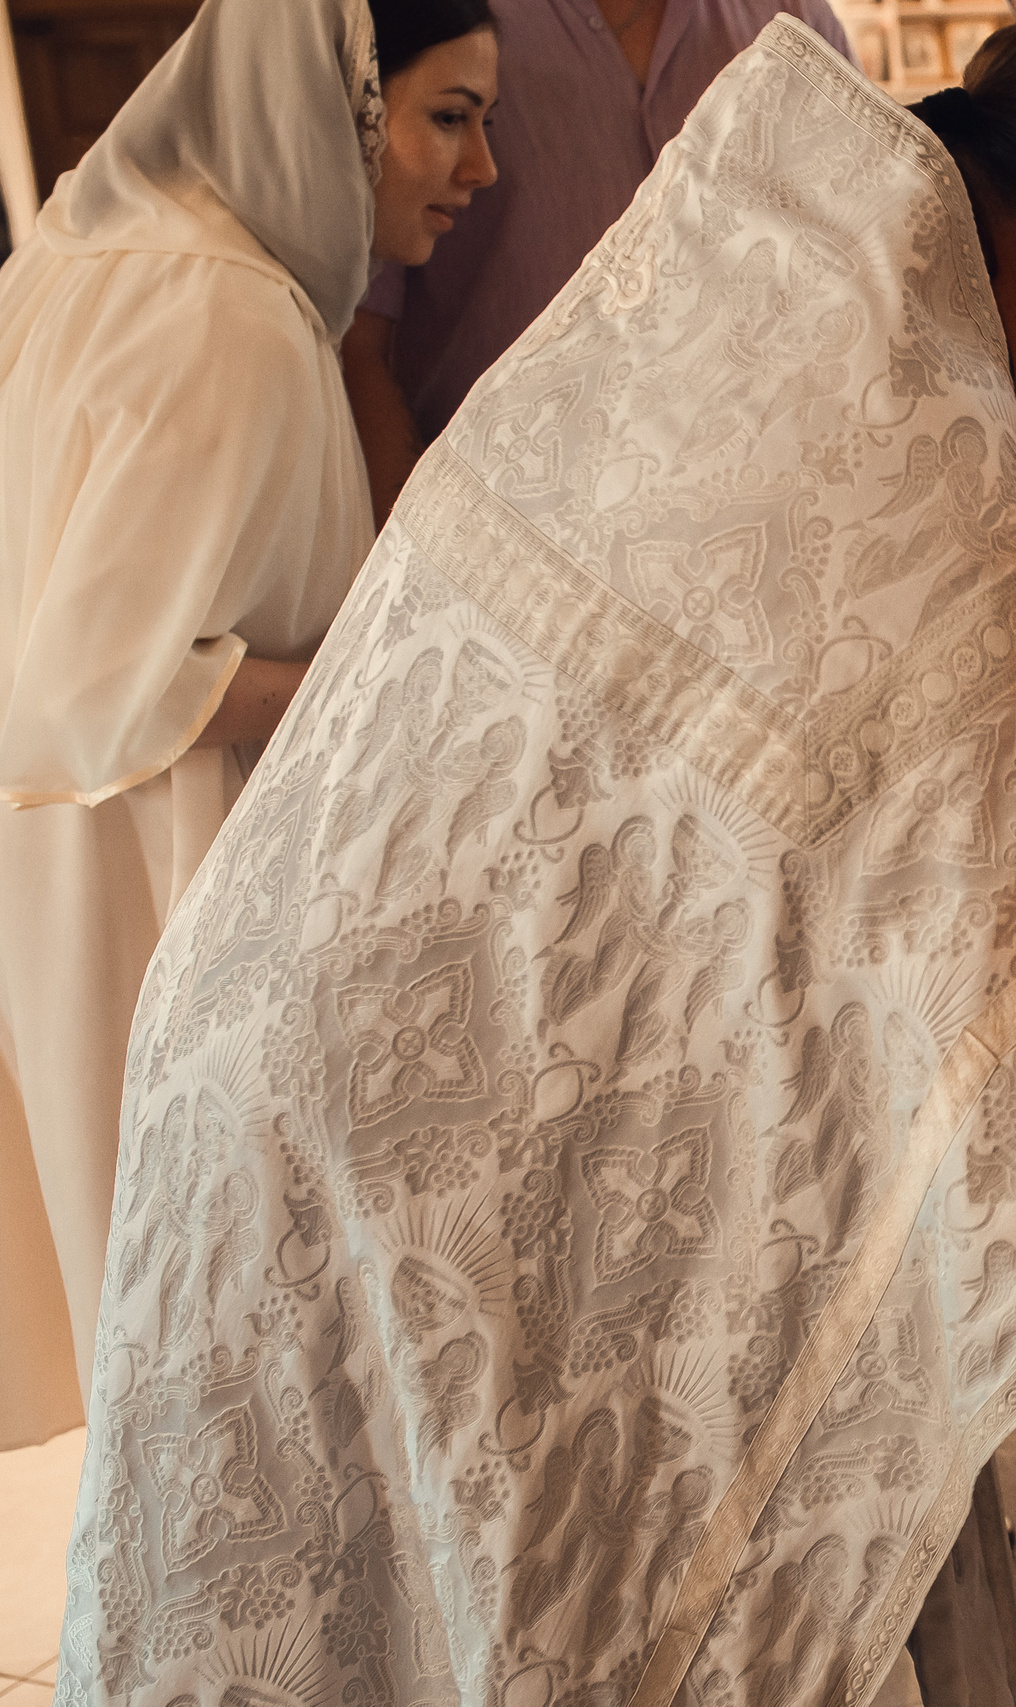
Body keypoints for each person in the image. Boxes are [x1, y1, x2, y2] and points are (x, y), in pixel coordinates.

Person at [54, 2, 1016, 1700]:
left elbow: (763, 897)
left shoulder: (756, 286)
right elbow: (979, 1104)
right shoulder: (912, 465)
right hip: (425, 1120)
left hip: (285, 1037)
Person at [0, 0, 498, 1452]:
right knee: (216, 1361)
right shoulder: (228, 309)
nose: (479, 171)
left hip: (59, 868)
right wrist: (385, 659)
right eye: (448, 115)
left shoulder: (82, 259)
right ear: (335, 108)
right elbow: (101, 682)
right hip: (153, 887)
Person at [341, 0, 849, 523]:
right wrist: (411, 560)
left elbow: (860, 279)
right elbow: (361, 340)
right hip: (499, 531)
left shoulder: (798, 22)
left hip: (754, 525)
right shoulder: (455, 19)